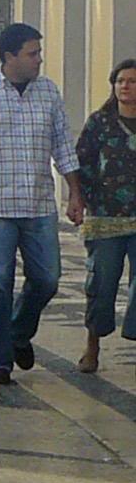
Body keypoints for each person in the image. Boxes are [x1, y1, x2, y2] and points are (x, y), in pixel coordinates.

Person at [0, 23, 84, 385]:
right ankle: (0, 361)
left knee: (48, 279)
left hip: (39, 204)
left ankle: (18, 332)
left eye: (39, 53)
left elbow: (63, 147)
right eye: (32, 53)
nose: (39, 60)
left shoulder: (49, 93)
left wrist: (75, 193)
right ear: (9, 56)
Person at [72, 59, 136, 375]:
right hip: (105, 218)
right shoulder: (100, 123)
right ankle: (92, 346)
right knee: (101, 282)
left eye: (133, 81)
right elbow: (81, 161)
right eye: (121, 80)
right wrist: (79, 199)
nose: (126, 86)